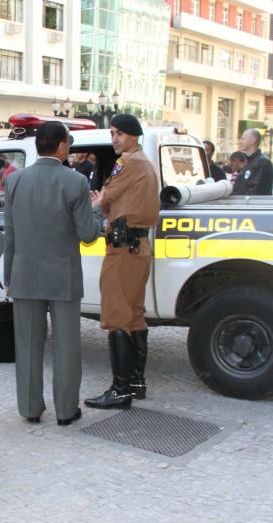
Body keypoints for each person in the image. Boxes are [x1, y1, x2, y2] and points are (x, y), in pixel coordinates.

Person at [3, 121, 103, 425]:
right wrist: (96, 208)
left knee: (28, 346)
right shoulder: (75, 182)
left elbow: (11, 234)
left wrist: (9, 276)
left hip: (24, 274)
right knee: (67, 347)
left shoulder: (15, 181)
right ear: (61, 146)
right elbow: (87, 234)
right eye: (68, 143)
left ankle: (30, 409)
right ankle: (65, 409)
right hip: (63, 276)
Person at [84, 114, 160, 410]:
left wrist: (98, 201)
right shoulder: (144, 162)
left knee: (117, 317)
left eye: (118, 133)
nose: (114, 138)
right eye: (112, 133)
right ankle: (136, 382)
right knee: (134, 316)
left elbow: (103, 199)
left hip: (122, 247)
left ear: (133, 135)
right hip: (138, 246)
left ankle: (120, 390)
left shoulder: (129, 162)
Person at [233, 129, 273, 195]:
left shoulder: (263, 162)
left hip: (253, 204)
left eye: (243, 139)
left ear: (253, 141)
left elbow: (257, 191)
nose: (240, 142)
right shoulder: (248, 162)